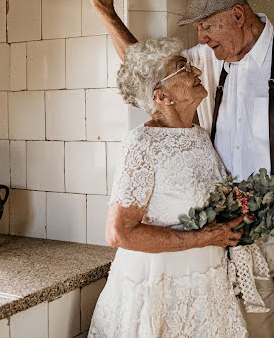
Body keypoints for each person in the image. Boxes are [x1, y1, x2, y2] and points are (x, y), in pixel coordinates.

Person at [84, 0, 274, 337]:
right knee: (251, 331)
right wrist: (108, 14)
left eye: (207, 27)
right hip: (239, 230)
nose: (202, 39)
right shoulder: (208, 63)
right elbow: (147, 72)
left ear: (238, 17)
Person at [88, 37, 261, 337]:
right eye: (182, 68)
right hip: (161, 286)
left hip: (206, 283)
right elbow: (119, 233)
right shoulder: (141, 144)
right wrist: (203, 237)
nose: (195, 71)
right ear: (162, 97)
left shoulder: (199, 135)